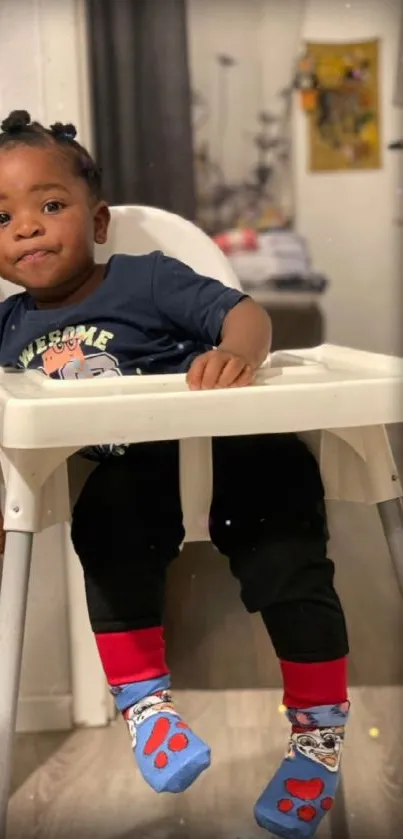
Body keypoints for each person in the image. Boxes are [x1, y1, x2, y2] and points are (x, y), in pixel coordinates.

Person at [0, 110, 349, 839]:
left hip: (228, 446)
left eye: (50, 205)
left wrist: (237, 355)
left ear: (97, 221)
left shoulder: (146, 278)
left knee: (286, 540)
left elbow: (244, 313)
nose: (26, 227)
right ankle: (148, 710)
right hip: (129, 472)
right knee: (106, 526)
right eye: (2, 217)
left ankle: (317, 735)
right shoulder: (7, 327)